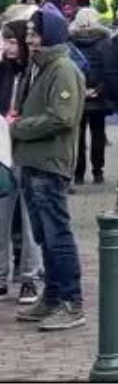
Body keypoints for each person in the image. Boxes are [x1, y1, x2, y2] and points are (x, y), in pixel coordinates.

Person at [11, 8, 86, 331]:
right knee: (43, 236)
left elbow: (62, 117)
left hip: (49, 163)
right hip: (32, 161)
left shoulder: (62, 69)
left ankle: (71, 301)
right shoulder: (36, 68)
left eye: (35, 34)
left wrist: (19, 127)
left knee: (57, 235)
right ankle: (53, 296)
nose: (29, 40)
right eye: (27, 34)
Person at [0, 19, 40, 304]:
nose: (8, 47)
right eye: (5, 41)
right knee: (2, 216)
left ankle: (30, 276)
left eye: (12, 41)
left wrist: (20, 122)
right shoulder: (3, 71)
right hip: (2, 150)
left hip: (26, 150)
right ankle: (2, 274)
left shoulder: (32, 72)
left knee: (28, 219)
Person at [69, 8, 110, 185]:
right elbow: (109, 69)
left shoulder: (69, 42)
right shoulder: (106, 42)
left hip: (76, 93)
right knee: (98, 134)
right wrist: (99, 89)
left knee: (77, 137)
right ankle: (98, 172)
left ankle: (78, 174)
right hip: (98, 94)